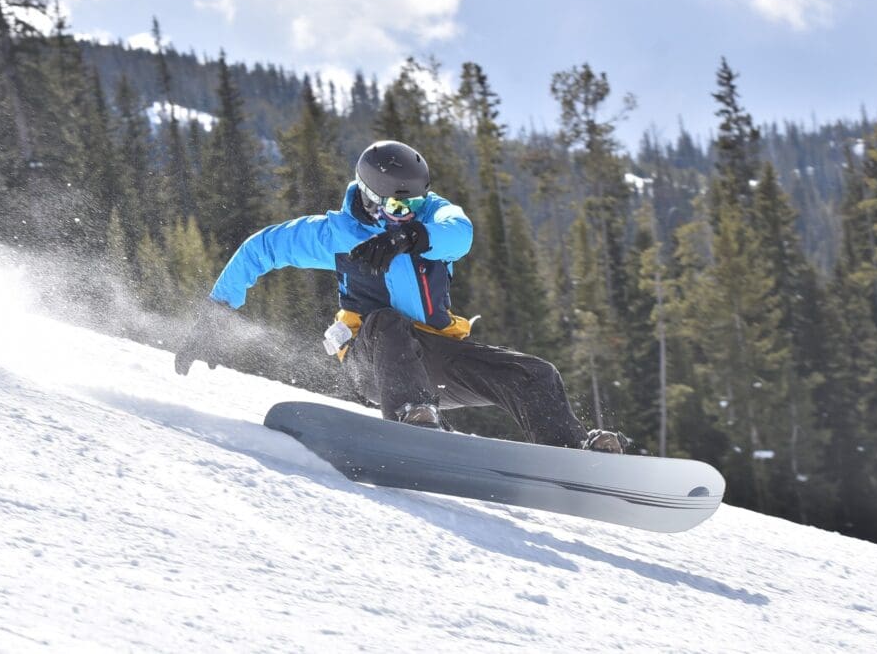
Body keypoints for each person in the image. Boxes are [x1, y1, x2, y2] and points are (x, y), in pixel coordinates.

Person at [175, 140, 629, 453]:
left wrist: (411, 235)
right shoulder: (337, 233)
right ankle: (413, 417)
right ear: (371, 197)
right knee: (386, 321)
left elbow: (460, 235)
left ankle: (570, 451)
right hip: (372, 362)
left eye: (413, 204)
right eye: (396, 207)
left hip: (433, 357)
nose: (404, 213)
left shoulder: (432, 218)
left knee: (536, 374)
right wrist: (216, 316)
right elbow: (262, 248)